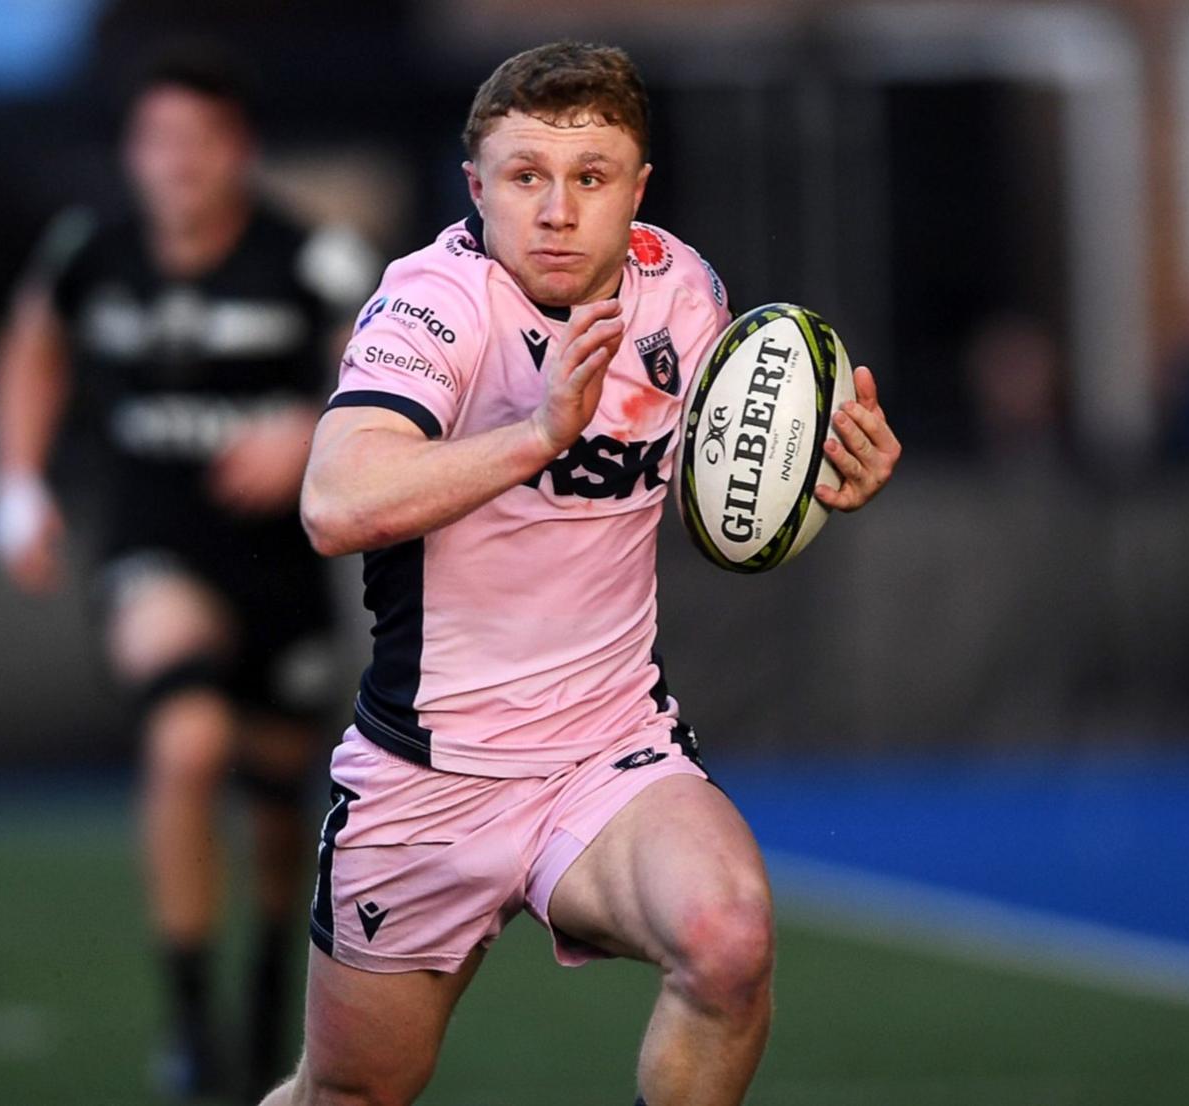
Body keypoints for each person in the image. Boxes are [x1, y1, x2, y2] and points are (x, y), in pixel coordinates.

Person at [263, 42, 900, 1106]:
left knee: (727, 937)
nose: (556, 210)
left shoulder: (683, 290)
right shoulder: (432, 304)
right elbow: (334, 502)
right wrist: (536, 431)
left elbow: (718, 491)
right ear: (475, 188)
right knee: (351, 1089)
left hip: (604, 754)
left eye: (590, 177)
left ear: (637, 189)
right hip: (428, 770)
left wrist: (824, 472)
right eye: (525, 177)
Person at [0, 48, 376, 1099]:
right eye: (157, 142)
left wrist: (310, 428)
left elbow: (390, 370)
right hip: (152, 554)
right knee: (187, 735)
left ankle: (260, 994)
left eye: (199, 143)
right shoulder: (89, 253)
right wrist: (18, 482)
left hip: (283, 569)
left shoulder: (311, 256)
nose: (177, 165)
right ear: (132, 152)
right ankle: (192, 1021)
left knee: (281, 804)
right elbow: (31, 346)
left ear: (238, 152)